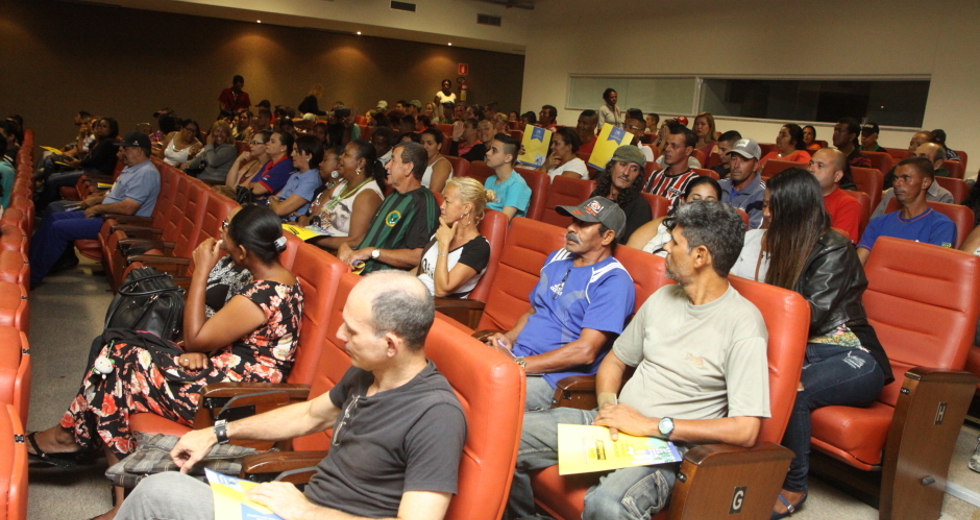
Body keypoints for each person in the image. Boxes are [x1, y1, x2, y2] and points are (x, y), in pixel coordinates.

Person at [116, 271, 464, 520]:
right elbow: (310, 415)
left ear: (391, 344)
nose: (340, 335)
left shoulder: (436, 415)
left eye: (352, 330)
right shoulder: (368, 372)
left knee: (156, 495)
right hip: (297, 507)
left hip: (306, 511)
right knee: (160, 488)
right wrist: (216, 432)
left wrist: (305, 511)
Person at [507, 201, 768, 520]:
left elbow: (745, 430)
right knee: (506, 435)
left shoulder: (744, 324)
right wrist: (606, 405)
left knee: (607, 504)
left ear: (700, 256)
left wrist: (650, 425)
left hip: (665, 447)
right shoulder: (663, 298)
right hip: (616, 422)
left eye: (674, 243)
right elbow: (615, 361)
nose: (665, 247)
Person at [726, 169, 892, 519]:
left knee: (793, 390)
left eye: (773, 206)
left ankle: (794, 484)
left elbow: (808, 314)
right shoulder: (784, 241)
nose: (766, 213)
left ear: (795, 208)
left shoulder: (834, 247)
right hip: (805, 350)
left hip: (852, 354)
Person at [483, 196, 635, 410]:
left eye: (582, 224)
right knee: (453, 372)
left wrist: (518, 365)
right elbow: (534, 310)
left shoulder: (613, 281)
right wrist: (508, 339)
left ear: (607, 236)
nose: (571, 228)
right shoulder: (557, 257)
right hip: (518, 357)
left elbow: (585, 351)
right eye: (573, 221)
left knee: (483, 395)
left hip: (554, 379)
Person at [30, 131, 160, 284]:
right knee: (53, 217)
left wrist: (98, 208)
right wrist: (98, 199)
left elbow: (128, 208)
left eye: (126, 149)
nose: (122, 152)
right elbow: (116, 195)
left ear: (138, 150)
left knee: (58, 228)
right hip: (107, 216)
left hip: (119, 223)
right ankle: (27, 262)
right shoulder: (132, 168)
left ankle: (31, 277)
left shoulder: (146, 173)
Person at [338, 142, 440, 274]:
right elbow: (373, 234)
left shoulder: (423, 203)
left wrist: (372, 252)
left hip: (379, 279)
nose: (387, 166)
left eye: (393, 160)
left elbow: (419, 256)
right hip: (358, 269)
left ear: (408, 168)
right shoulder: (394, 194)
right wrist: (346, 246)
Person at [857, 157, 956, 265]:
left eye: (906, 178)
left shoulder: (942, 226)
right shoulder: (878, 222)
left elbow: (933, 268)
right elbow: (858, 265)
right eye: (895, 178)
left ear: (925, 183)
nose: (896, 184)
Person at [299, 141, 384, 253]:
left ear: (361, 163)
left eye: (346, 154)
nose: (340, 157)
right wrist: (298, 229)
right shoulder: (342, 184)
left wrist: (314, 239)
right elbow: (315, 216)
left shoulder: (368, 195)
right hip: (314, 244)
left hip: (333, 255)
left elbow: (355, 242)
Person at [415, 177, 492, 298]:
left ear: (467, 208)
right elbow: (422, 272)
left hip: (437, 307)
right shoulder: (444, 231)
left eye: (447, 201)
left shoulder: (479, 248)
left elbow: (441, 290)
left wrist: (444, 245)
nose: (441, 206)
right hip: (415, 295)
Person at [36, 117, 121, 211]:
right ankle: (44, 202)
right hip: (88, 170)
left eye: (104, 126)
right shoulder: (100, 141)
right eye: (99, 126)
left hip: (96, 173)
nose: (100, 128)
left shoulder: (109, 142)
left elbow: (92, 160)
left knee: (53, 180)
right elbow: (88, 154)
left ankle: (42, 207)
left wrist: (78, 163)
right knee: (52, 174)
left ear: (112, 129)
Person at [627, 176, 721, 255]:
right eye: (696, 199)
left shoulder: (720, 240)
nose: (702, 205)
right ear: (683, 201)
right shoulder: (663, 222)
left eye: (709, 201)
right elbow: (628, 252)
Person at [872, 142, 954, 218]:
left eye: (922, 157)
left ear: (937, 164)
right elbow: (873, 225)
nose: (915, 161)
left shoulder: (943, 197)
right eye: (914, 156)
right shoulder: (892, 192)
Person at [590, 146, 651, 243]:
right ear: (611, 166)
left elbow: (630, 248)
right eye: (623, 164)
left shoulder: (639, 206)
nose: (626, 172)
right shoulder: (598, 194)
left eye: (634, 169)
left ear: (638, 176)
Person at [809, 148, 862, 242]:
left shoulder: (848, 204)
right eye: (811, 164)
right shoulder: (798, 196)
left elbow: (838, 245)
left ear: (837, 176)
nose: (811, 169)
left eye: (820, 166)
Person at [267, 135, 324, 221]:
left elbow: (279, 210)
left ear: (309, 156)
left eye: (296, 151)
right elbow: (276, 200)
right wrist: (273, 201)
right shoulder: (295, 175)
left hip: (290, 224)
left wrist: (272, 200)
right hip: (276, 219)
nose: (292, 154)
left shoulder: (311, 180)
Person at [644, 122, 698, 208]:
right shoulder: (655, 175)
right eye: (667, 144)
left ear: (688, 150)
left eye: (674, 146)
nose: (667, 149)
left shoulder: (694, 183)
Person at [719, 138, 766, 229]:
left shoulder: (762, 194)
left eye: (744, 160)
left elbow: (752, 234)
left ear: (755, 165)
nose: (736, 165)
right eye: (734, 159)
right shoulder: (718, 186)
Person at [483, 133, 531, 220]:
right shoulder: (490, 180)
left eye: (494, 150)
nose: (487, 153)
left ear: (508, 158)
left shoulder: (517, 185)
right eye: (489, 149)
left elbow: (503, 220)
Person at [245, 131, 295, 204]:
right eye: (269, 140)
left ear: (283, 147)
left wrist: (255, 188)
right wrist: (254, 188)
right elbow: (249, 184)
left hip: (267, 210)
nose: (267, 143)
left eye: (272, 142)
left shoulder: (285, 166)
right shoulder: (269, 162)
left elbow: (256, 190)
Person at [219, 130, 272, 197]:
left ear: (266, 146)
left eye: (255, 143)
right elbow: (229, 184)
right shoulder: (253, 163)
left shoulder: (267, 168)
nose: (250, 145)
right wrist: (238, 160)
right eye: (251, 142)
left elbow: (240, 190)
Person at [419, 127, 454, 193]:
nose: (424, 146)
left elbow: (433, 194)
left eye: (430, 143)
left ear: (439, 146)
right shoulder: (419, 159)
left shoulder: (442, 164)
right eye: (422, 142)